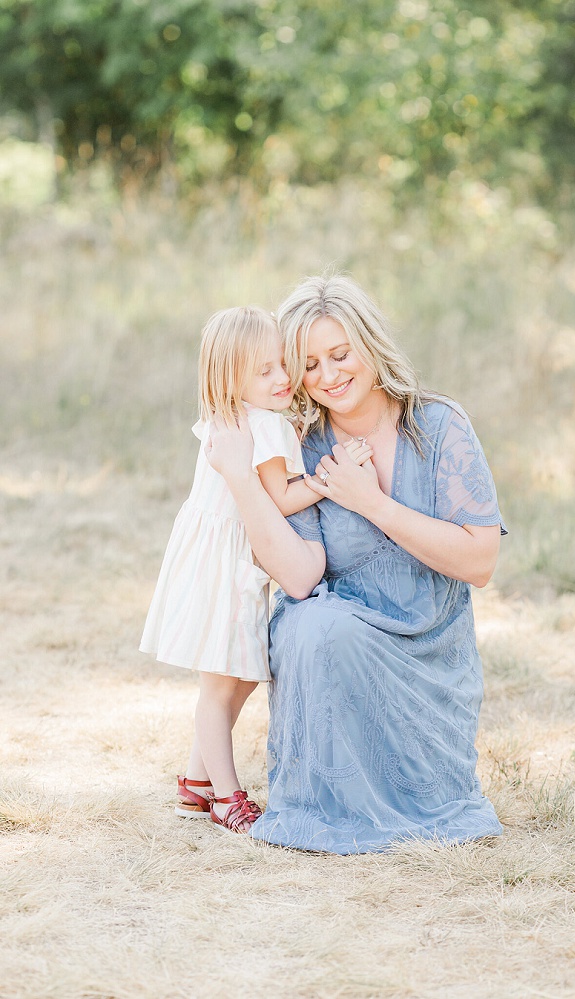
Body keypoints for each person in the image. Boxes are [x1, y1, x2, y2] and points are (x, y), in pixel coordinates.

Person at [206, 274, 506, 854]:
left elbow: (481, 561)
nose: (328, 376)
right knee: (315, 622)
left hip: (427, 656)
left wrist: (371, 502)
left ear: (369, 344)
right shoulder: (299, 445)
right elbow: (297, 576)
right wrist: (243, 479)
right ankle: (321, 806)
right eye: (309, 364)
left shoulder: (440, 425)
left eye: (340, 355)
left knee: (325, 627)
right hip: (337, 638)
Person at [142, 306, 356, 834]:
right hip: (227, 566)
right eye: (264, 371)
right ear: (231, 378)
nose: (283, 378)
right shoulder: (266, 427)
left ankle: (196, 781)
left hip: (210, 559)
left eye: (283, 364)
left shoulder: (230, 417)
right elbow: (280, 499)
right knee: (221, 688)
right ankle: (226, 797)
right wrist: (329, 479)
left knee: (236, 680)